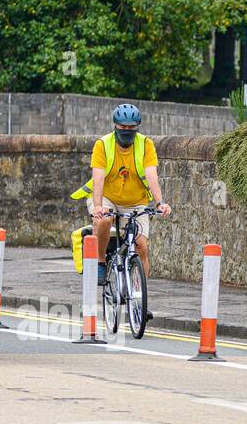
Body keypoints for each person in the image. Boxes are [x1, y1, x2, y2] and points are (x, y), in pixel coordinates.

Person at [70, 104, 171, 288]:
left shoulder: (145, 144)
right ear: (115, 125)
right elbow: (98, 178)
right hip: (107, 197)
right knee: (104, 220)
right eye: (123, 127)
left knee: (141, 247)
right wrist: (99, 206)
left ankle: (139, 297)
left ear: (137, 127)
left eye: (131, 127)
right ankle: (100, 261)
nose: (127, 131)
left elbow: (151, 175)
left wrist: (160, 202)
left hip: (136, 201)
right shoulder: (103, 145)